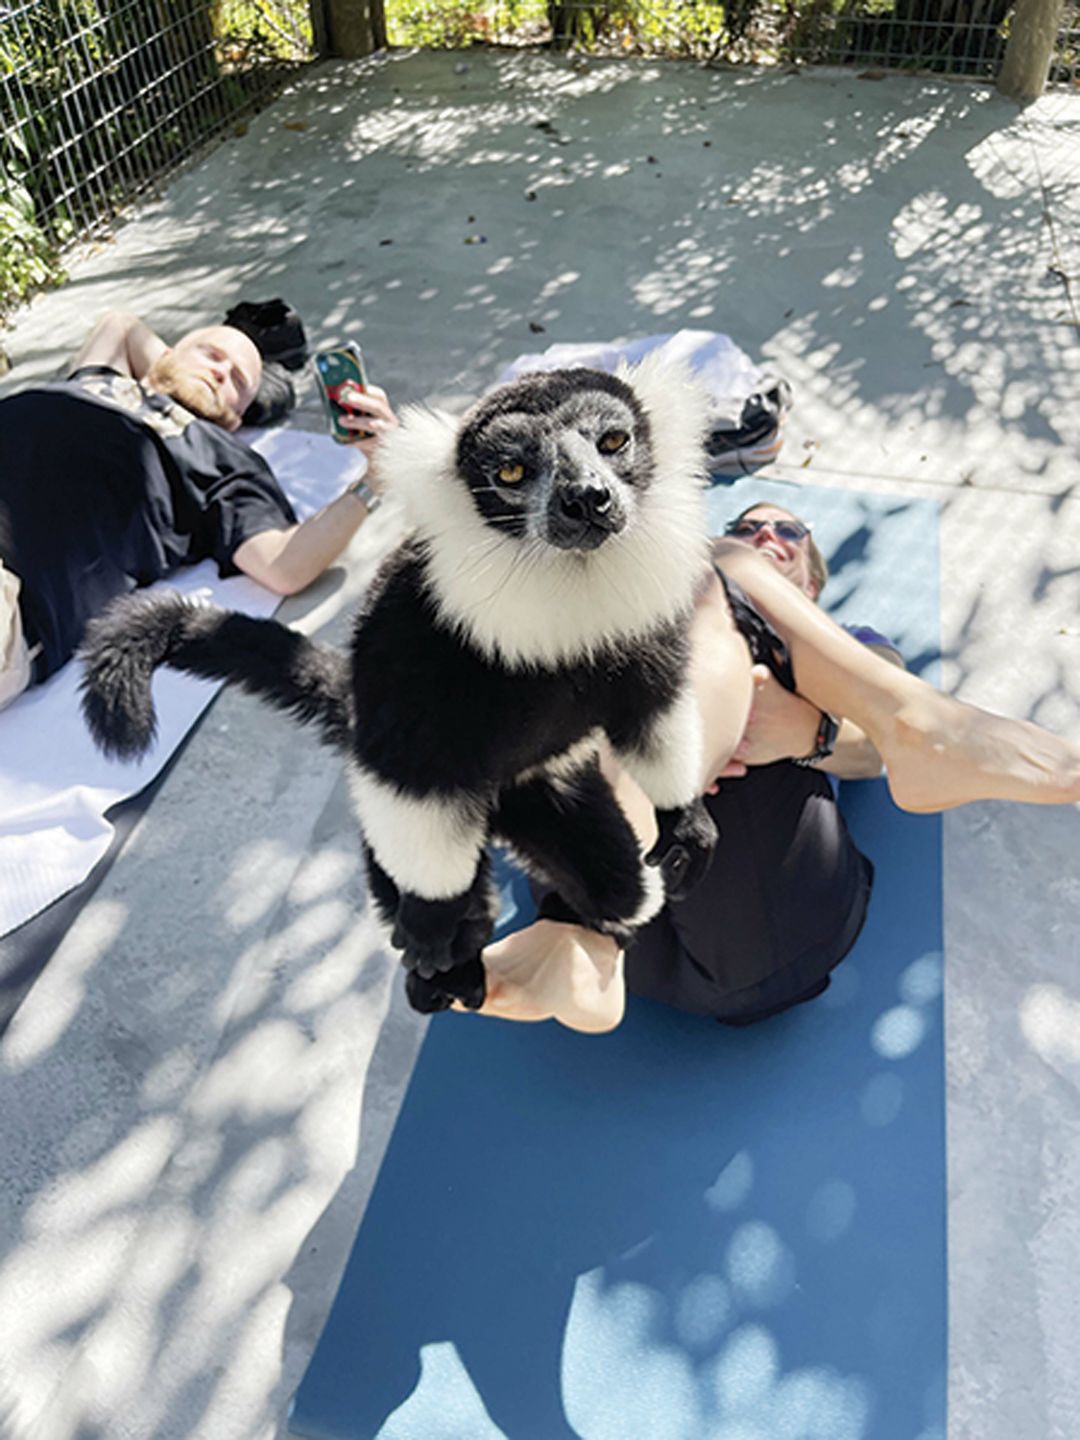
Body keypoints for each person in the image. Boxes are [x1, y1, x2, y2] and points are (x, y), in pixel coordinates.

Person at [465, 501, 1080, 1034]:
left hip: (762, 936)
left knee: (711, 590)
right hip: (609, 939)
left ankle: (913, 730)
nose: (764, 538)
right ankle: (922, 729)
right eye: (748, 527)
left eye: (789, 533)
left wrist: (810, 731)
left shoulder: (859, 641)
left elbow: (865, 756)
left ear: (809, 585)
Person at [0, 310, 398, 707]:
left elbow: (285, 565)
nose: (222, 372)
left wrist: (374, 477)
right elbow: (117, 324)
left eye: (239, 381)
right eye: (210, 355)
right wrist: (171, 371)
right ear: (167, 353)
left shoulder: (219, 457)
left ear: (238, 416)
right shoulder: (97, 381)